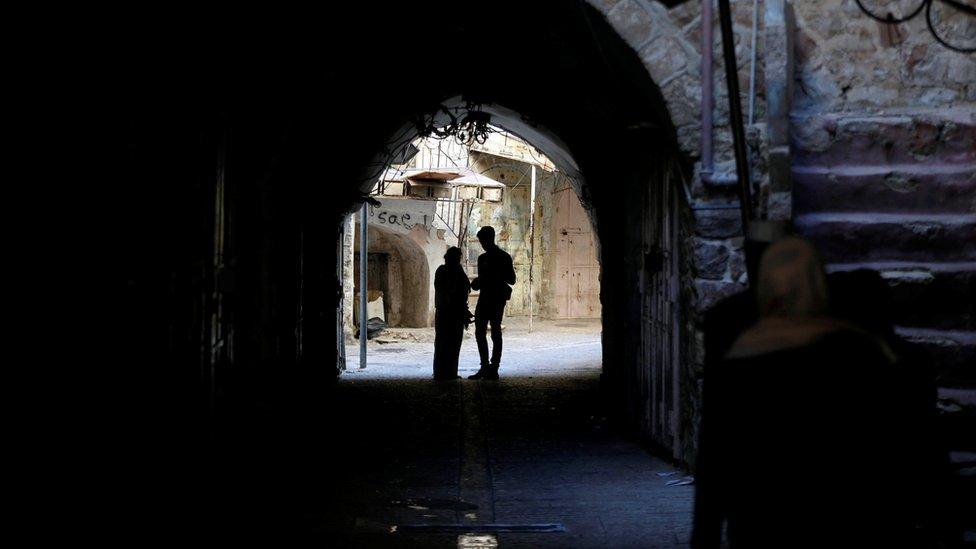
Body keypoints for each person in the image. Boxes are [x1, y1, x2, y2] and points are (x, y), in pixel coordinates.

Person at [692, 238, 917, 548]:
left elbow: (716, 457)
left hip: (761, 521)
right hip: (848, 520)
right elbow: (903, 443)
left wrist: (704, 535)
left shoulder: (738, 362)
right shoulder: (862, 352)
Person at [467, 226, 515, 380]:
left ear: (490, 239)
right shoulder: (493, 258)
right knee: (484, 333)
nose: (482, 244)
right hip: (489, 298)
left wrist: (492, 276)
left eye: (483, 241)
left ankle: (492, 367)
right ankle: (488, 367)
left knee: (492, 332)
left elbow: (511, 280)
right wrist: (479, 281)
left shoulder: (499, 258)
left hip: (494, 299)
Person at [432, 247, 471, 380]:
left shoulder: (458, 270)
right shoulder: (443, 271)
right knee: (445, 341)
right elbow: (444, 290)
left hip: (454, 311)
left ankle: (450, 372)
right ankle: (441, 372)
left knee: (452, 342)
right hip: (446, 311)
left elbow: (465, 288)